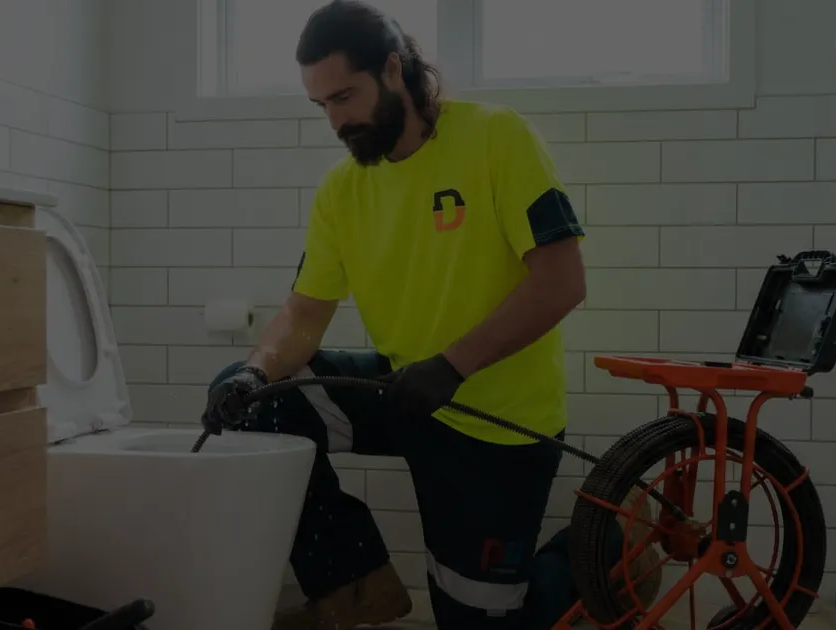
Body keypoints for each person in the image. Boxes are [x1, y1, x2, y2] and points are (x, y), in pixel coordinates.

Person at [201, 1, 595, 628]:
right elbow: (303, 316)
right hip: (408, 393)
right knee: (258, 400)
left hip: (497, 420)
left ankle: (605, 552)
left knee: (484, 621)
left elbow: (561, 282)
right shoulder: (341, 190)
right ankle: (355, 584)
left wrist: (453, 366)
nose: (335, 120)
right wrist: (253, 371)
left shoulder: (497, 137)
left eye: (345, 97)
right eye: (322, 105)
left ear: (393, 70)